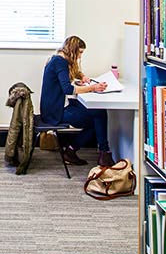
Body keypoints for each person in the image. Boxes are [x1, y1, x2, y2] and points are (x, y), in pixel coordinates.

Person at [39, 35, 113, 167]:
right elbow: (67, 89)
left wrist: (82, 76)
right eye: (80, 53)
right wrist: (92, 88)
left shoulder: (56, 58)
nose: (80, 57)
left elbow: (67, 77)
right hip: (56, 112)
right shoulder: (59, 62)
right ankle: (102, 153)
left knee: (97, 115)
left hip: (53, 107)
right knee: (98, 116)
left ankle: (80, 151)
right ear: (73, 51)